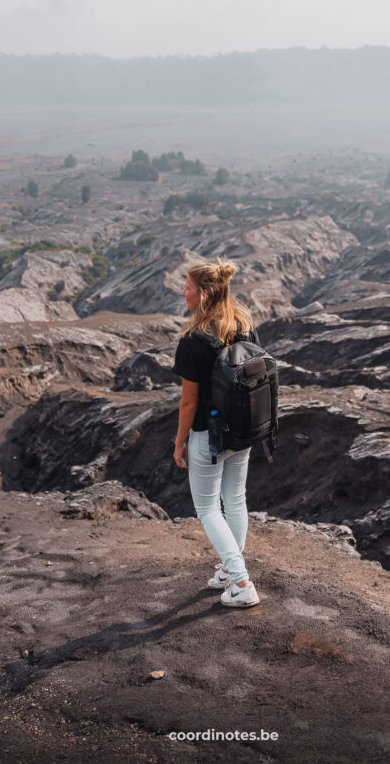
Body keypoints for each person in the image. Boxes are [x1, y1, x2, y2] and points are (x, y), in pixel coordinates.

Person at [171, 257, 261, 608]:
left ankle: (240, 581)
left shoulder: (193, 340)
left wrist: (179, 442)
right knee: (234, 499)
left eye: (188, 288)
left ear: (204, 292)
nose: (183, 292)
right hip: (243, 428)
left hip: (208, 434)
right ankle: (229, 569)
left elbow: (188, 403)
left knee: (208, 508)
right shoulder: (244, 324)